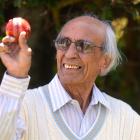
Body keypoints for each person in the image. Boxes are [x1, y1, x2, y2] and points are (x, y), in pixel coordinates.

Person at [0, 15, 139, 140]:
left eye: (83, 46)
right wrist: (16, 75)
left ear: (105, 61)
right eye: (64, 43)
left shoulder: (124, 118)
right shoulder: (22, 105)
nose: (70, 54)